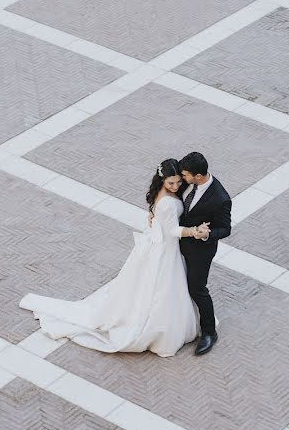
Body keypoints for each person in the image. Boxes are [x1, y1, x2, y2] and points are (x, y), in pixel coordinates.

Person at [19, 158, 205, 357]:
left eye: (178, 182)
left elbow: (157, 213)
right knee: (161, 287)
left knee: (150, 285)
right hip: (165, 248)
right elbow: (172, 230)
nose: (176, 186)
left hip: (160, 246)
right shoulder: (167, 202)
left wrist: (153, 216)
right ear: (162, 181)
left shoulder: (163, 194)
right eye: (171, 183)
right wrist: (194, 231)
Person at [175, 152, 232, 355]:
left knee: (196, 288)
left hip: (200, 251)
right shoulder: (184, 182)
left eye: (186, 175)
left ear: (198, 176)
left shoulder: (220, 198)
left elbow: (225, 229)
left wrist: (207, 234)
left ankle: (209, 332)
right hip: (175, 242)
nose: (182, 178)